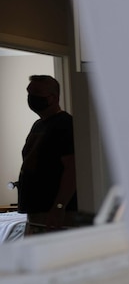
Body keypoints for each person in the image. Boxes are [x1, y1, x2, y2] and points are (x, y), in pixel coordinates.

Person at [17, 75, 77, 235]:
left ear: (53, 98)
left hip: (52, 212)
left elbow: (72, 168)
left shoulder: (64, 124)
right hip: (36, 211)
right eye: (29, 92)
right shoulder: (38, 125)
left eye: (36, 92)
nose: (31, 97)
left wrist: (59, 207)